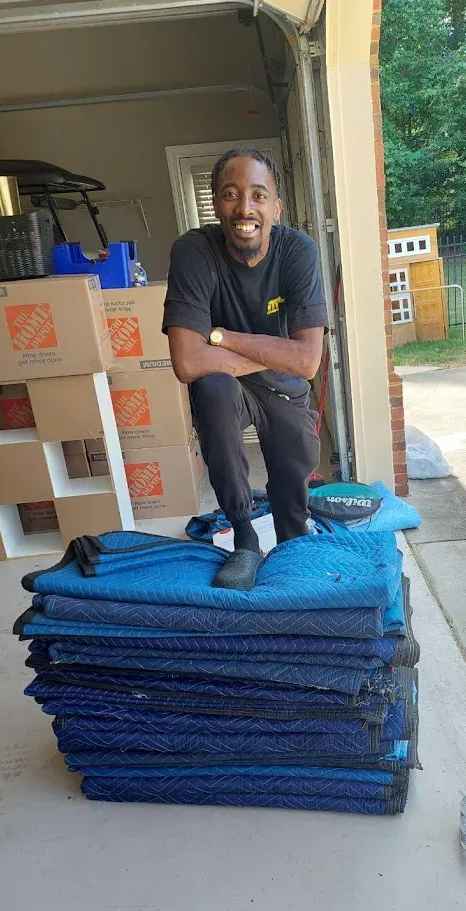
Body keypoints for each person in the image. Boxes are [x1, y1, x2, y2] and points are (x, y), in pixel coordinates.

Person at [162, 147, 327, 590]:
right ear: (216, 203)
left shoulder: (298, 252)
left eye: (258, 195)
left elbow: (307, 361)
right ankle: (245, 538)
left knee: (294, 466)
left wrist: (222, 336)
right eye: (231, 194)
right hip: (227, 387)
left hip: (283, 391)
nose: (245, 208)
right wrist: (276, 350)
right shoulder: (194, 251)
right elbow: (187, 361)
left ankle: (293, 536)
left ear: (276, 206)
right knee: (213, 390)